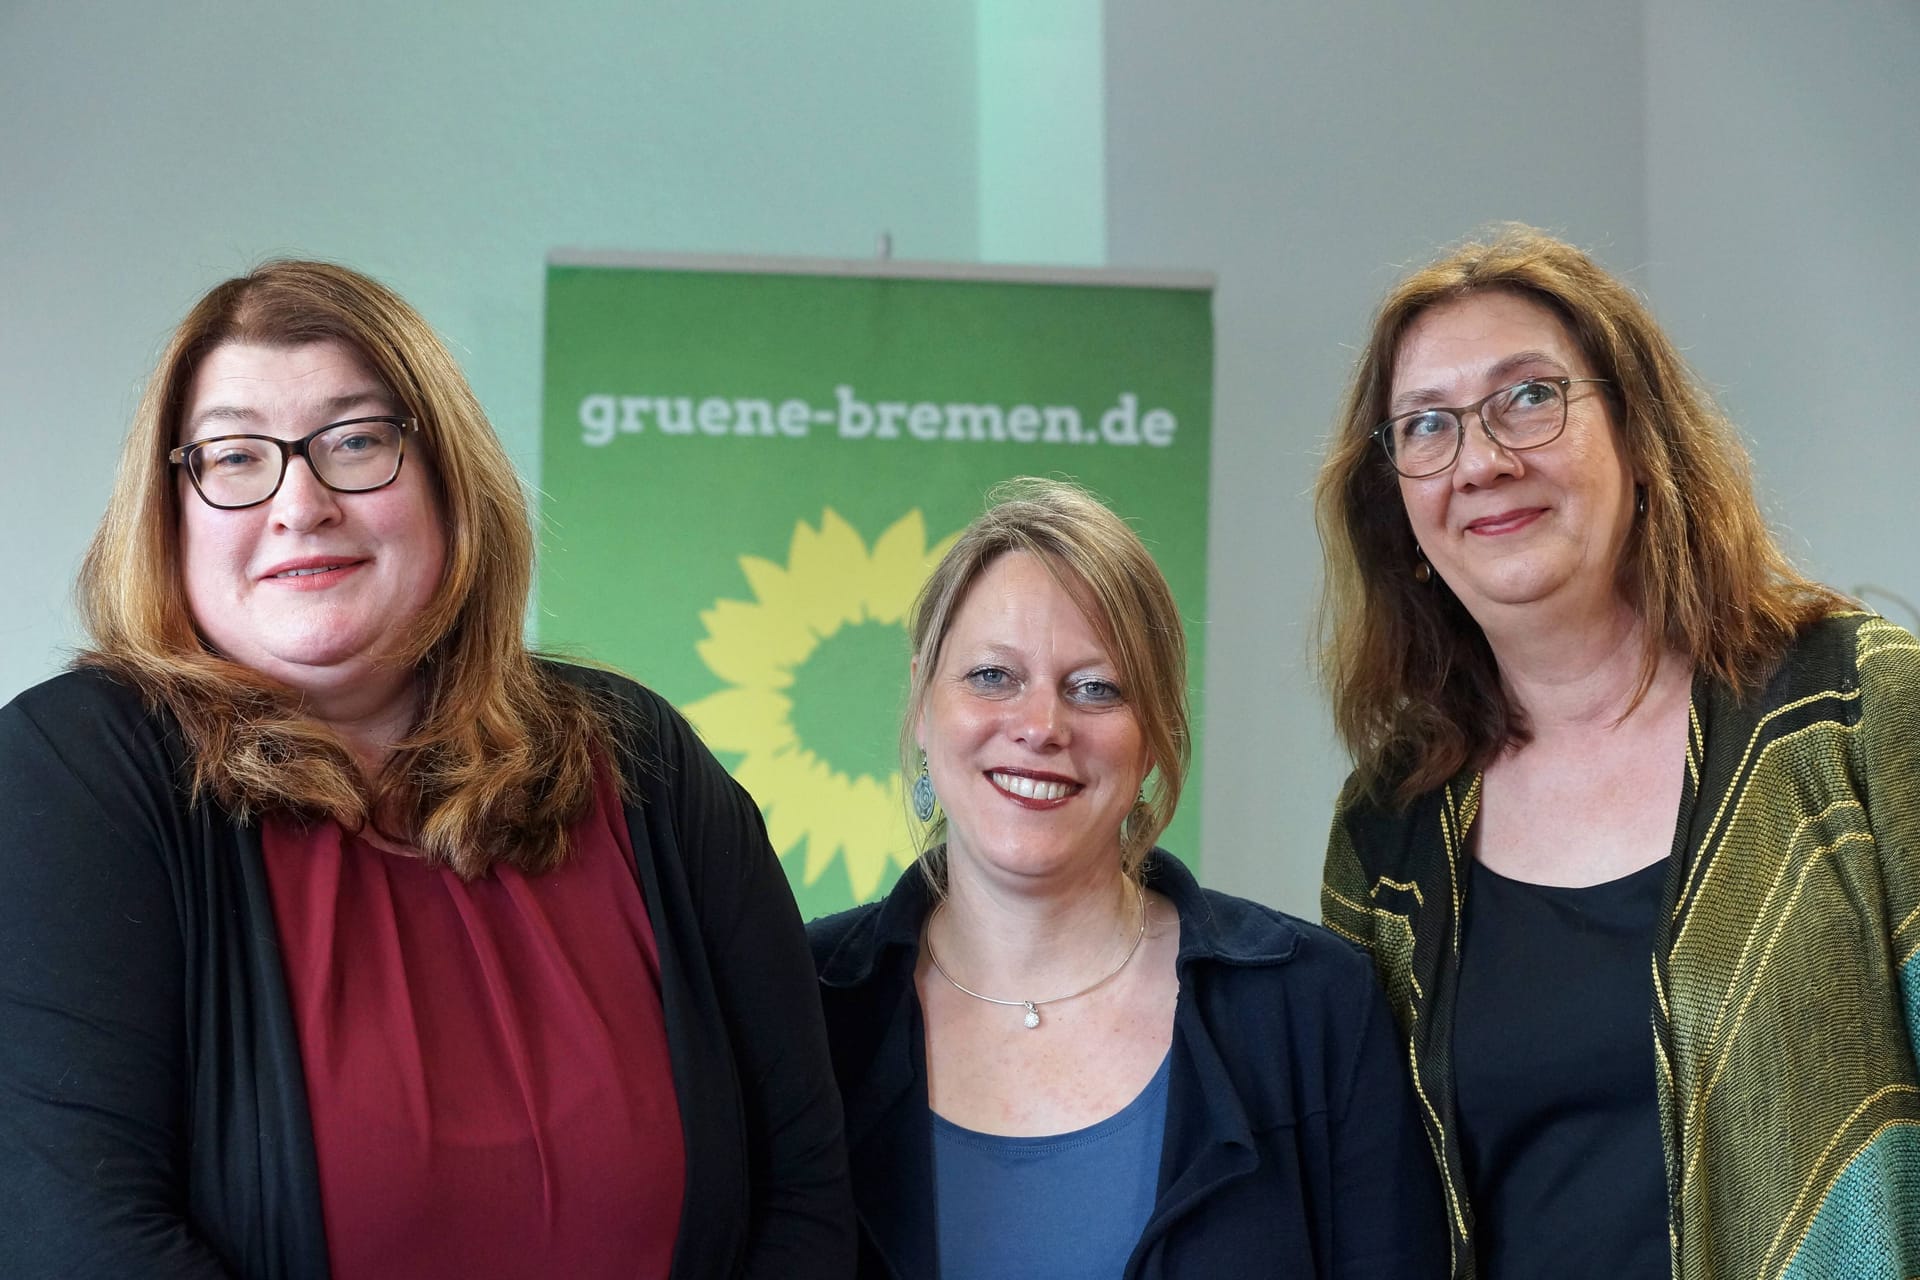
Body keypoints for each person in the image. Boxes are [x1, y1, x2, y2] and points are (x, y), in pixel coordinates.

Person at [0, 261, 853, 1278]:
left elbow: (805, 1189)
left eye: (356, 440)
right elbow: (79, 1235)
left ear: (450, 477)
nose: (301, 501)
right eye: (233, 456)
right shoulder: (76, 771)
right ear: (170, 511)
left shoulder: (642, 759)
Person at [1316, 225, 1920, 1280]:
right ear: (1401, 508)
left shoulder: (1859, 709)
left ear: (1641, 434)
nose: (1485, 460)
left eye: (1530, 397)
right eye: (1427, 426)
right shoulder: (1390, 827)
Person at [810, 477, 1447, 1279]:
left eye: (1096, 688)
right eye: (991, 677)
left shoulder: (1312, 1008)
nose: (1041, 725)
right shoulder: (802, 1006)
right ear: (923, 703)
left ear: (1153, 738)